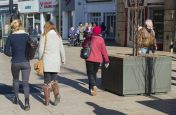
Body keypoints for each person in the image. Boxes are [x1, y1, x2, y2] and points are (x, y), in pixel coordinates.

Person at [4, 19, 31, 111]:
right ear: (21, 25)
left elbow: (6, 51)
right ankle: (27, 102)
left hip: (15, 62)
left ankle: (16, 98)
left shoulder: (11, 37)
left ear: (13, 27)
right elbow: (31, 47)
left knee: (15, 81)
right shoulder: (27, 36)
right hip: (26, 62)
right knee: (25, 83)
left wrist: (14, 54)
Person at [38, 21, 65, 106]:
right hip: (56, 62)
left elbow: (40, 49)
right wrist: (63, 59)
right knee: (54, 80)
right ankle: (57, 95)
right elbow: (62, 49)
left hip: (47, 62)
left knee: (46, 82)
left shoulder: (44, 36)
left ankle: (46, 101)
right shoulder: (58, 36)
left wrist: (39, 58)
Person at [82, 26, 109, 96]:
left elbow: (83, 45)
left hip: (89, 58)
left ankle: (93, 86)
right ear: (100, 32)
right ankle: (91, 90)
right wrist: (106, 60)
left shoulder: (89, 37)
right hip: (98, 60)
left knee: (90, 73)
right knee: (94, 73)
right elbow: (104, 51)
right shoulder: (101, 40)